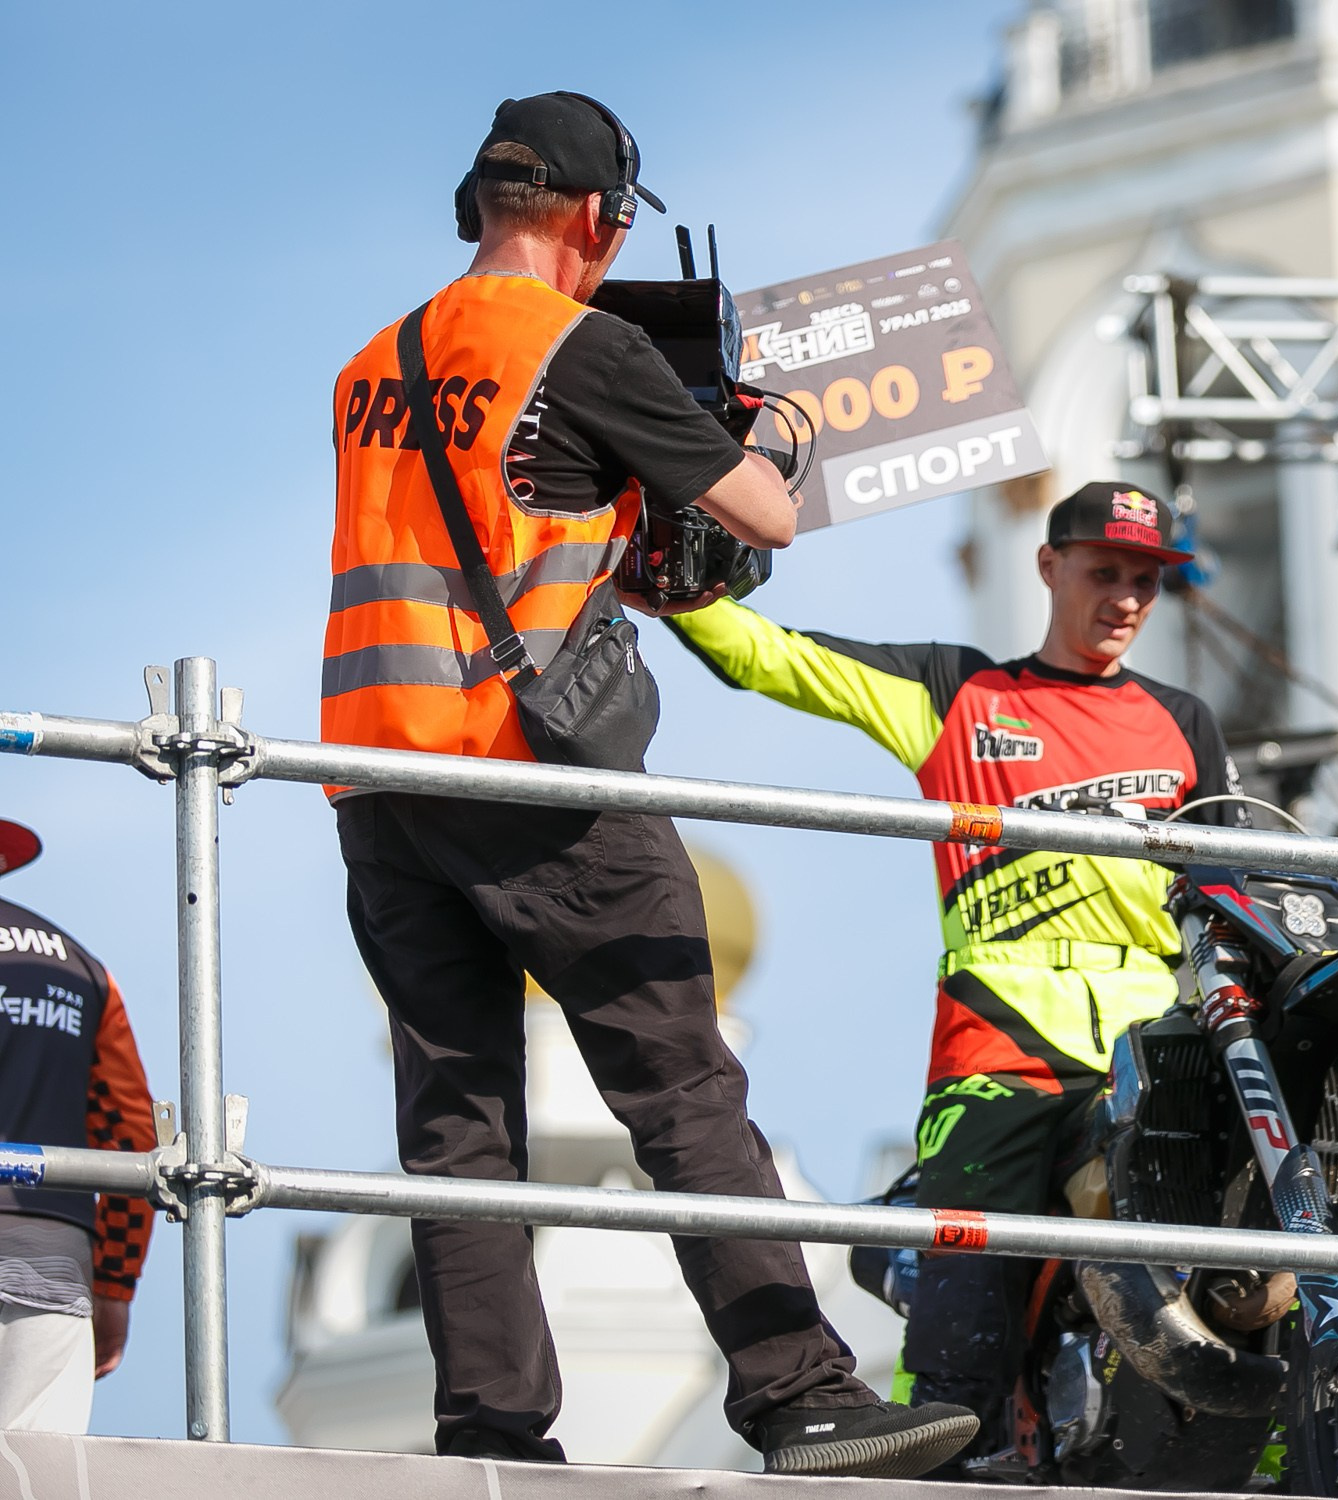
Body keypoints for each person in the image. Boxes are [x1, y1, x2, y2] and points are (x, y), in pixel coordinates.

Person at [322, 91, 973, 1477]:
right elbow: (763, 516)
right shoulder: (586, 346)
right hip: (530, 777)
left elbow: (502, 538)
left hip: (374, 783)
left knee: (457, 1130)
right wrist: (776, 432)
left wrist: (626, 519)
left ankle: (488, 1431)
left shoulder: (373, 361)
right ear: (596, 219)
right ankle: (800, 1394)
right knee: (681, 1088)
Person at [666, 482, 1248, 1468]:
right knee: (965, 1287)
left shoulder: (1183, 719)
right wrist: (672, 585)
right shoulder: (958, 694)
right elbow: (774, 660)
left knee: (1243, 1233)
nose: (1125, 600)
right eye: (1105, 572)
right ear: (1048, 564)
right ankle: (936, 1457)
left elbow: (1229, 882)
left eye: (1145, 582)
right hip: (1005, 1037)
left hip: (1155, 1033)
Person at [0, 818, 156, 1432]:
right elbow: (132, 1137)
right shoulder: (83, 970)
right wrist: (113, 1285)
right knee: (40, 1477)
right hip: (50, 1256)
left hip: (51, 1255)